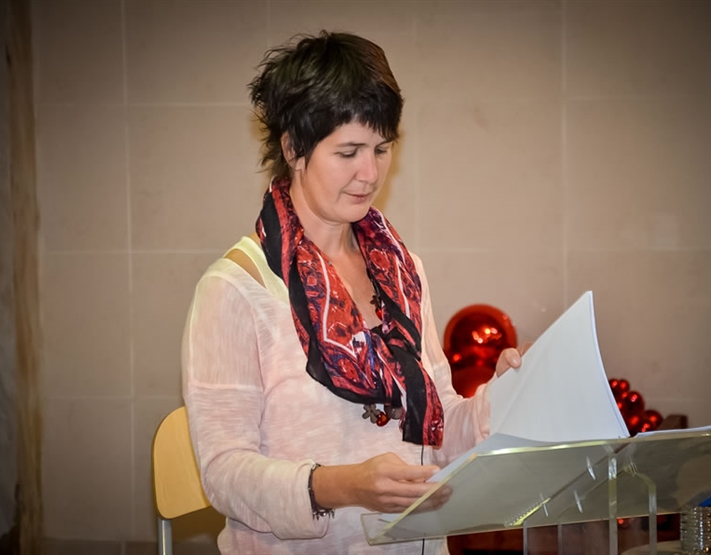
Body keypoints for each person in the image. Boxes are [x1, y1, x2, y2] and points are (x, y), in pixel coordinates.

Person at [181, 31, 525, 554]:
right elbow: (224, 474)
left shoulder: (402, 271)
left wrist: (504, 398)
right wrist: (343, 485)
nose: (371, 173)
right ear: (293, 149)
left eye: (382, 149)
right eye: (348, 152)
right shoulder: (236, 289)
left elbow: (436, 435)